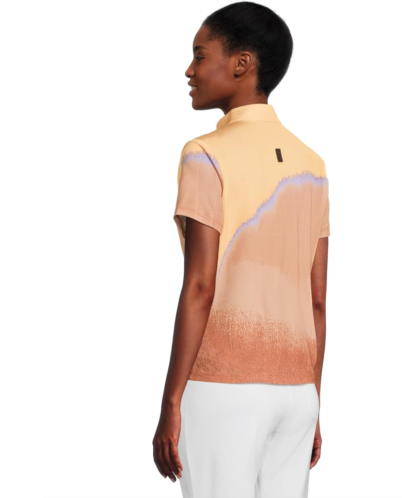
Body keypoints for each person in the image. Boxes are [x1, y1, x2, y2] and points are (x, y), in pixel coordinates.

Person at [152, 2, 330, 497]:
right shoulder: (312, 165)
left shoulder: (205, 154)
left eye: (199, 55)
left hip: (223, 389)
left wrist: (171, 402)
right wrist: (314, 400)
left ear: (241, 63)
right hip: (298, 393)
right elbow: (317, 300)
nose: (189, 70)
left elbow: (200, 286)